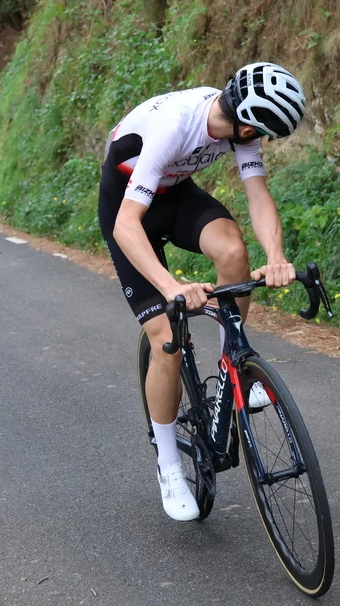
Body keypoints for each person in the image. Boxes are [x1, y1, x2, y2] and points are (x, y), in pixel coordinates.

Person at [98, 62, 305, 521]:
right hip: (127, 211)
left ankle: (234, 364)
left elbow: (257, 195)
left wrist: (276, 257)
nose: (261, 141)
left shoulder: (238, 124)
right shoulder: (175, 127)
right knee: (166, 341)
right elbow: (127, 225)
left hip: (175, 196)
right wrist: (172, 287)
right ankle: (169, 464)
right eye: (264, 134)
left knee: (233, 251)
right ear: (248, 125)